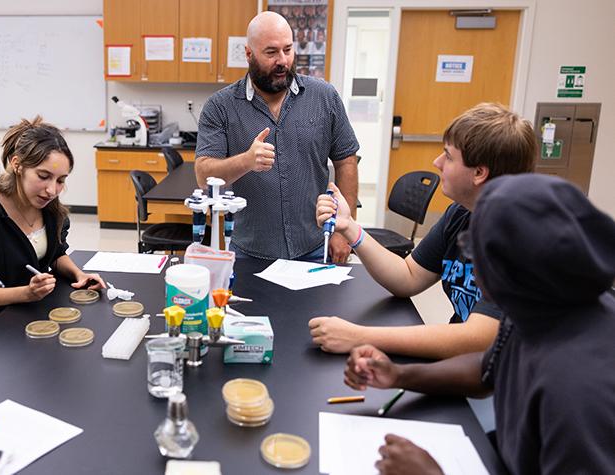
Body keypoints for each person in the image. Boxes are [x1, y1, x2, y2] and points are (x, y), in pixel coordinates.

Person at [344, 174, 615, 474]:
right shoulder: (541, 306)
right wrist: (398, 375)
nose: (476, 277)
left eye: (481, 262)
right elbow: (487, 370)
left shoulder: (577, 386)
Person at [311, 103, 536, 359]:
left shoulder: (521, 237)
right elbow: (407, 277)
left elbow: (478, 339)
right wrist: (349, 227)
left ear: (479, 173)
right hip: (469, 368)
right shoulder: (461, 215)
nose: (437, 162)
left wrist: (360, 337)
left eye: (449, 156)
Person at [195, 11, 360, 263]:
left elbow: (346, 160)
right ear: (249, 54)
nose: (282, 60)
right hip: (250, 251)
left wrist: (345, 230)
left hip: (316, 245)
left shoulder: (324, 97)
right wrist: (246, 161)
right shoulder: (221, 106)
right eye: (271, 52)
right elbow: (203, 175)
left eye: (288, 49)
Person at [0, 117, 105, 345]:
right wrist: (25, 293)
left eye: (61, 180)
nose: (52, 190)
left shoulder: (48, 207)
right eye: (43, 176)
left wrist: (79, 274)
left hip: (32, 322)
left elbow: (56, 253)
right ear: (17, 164)